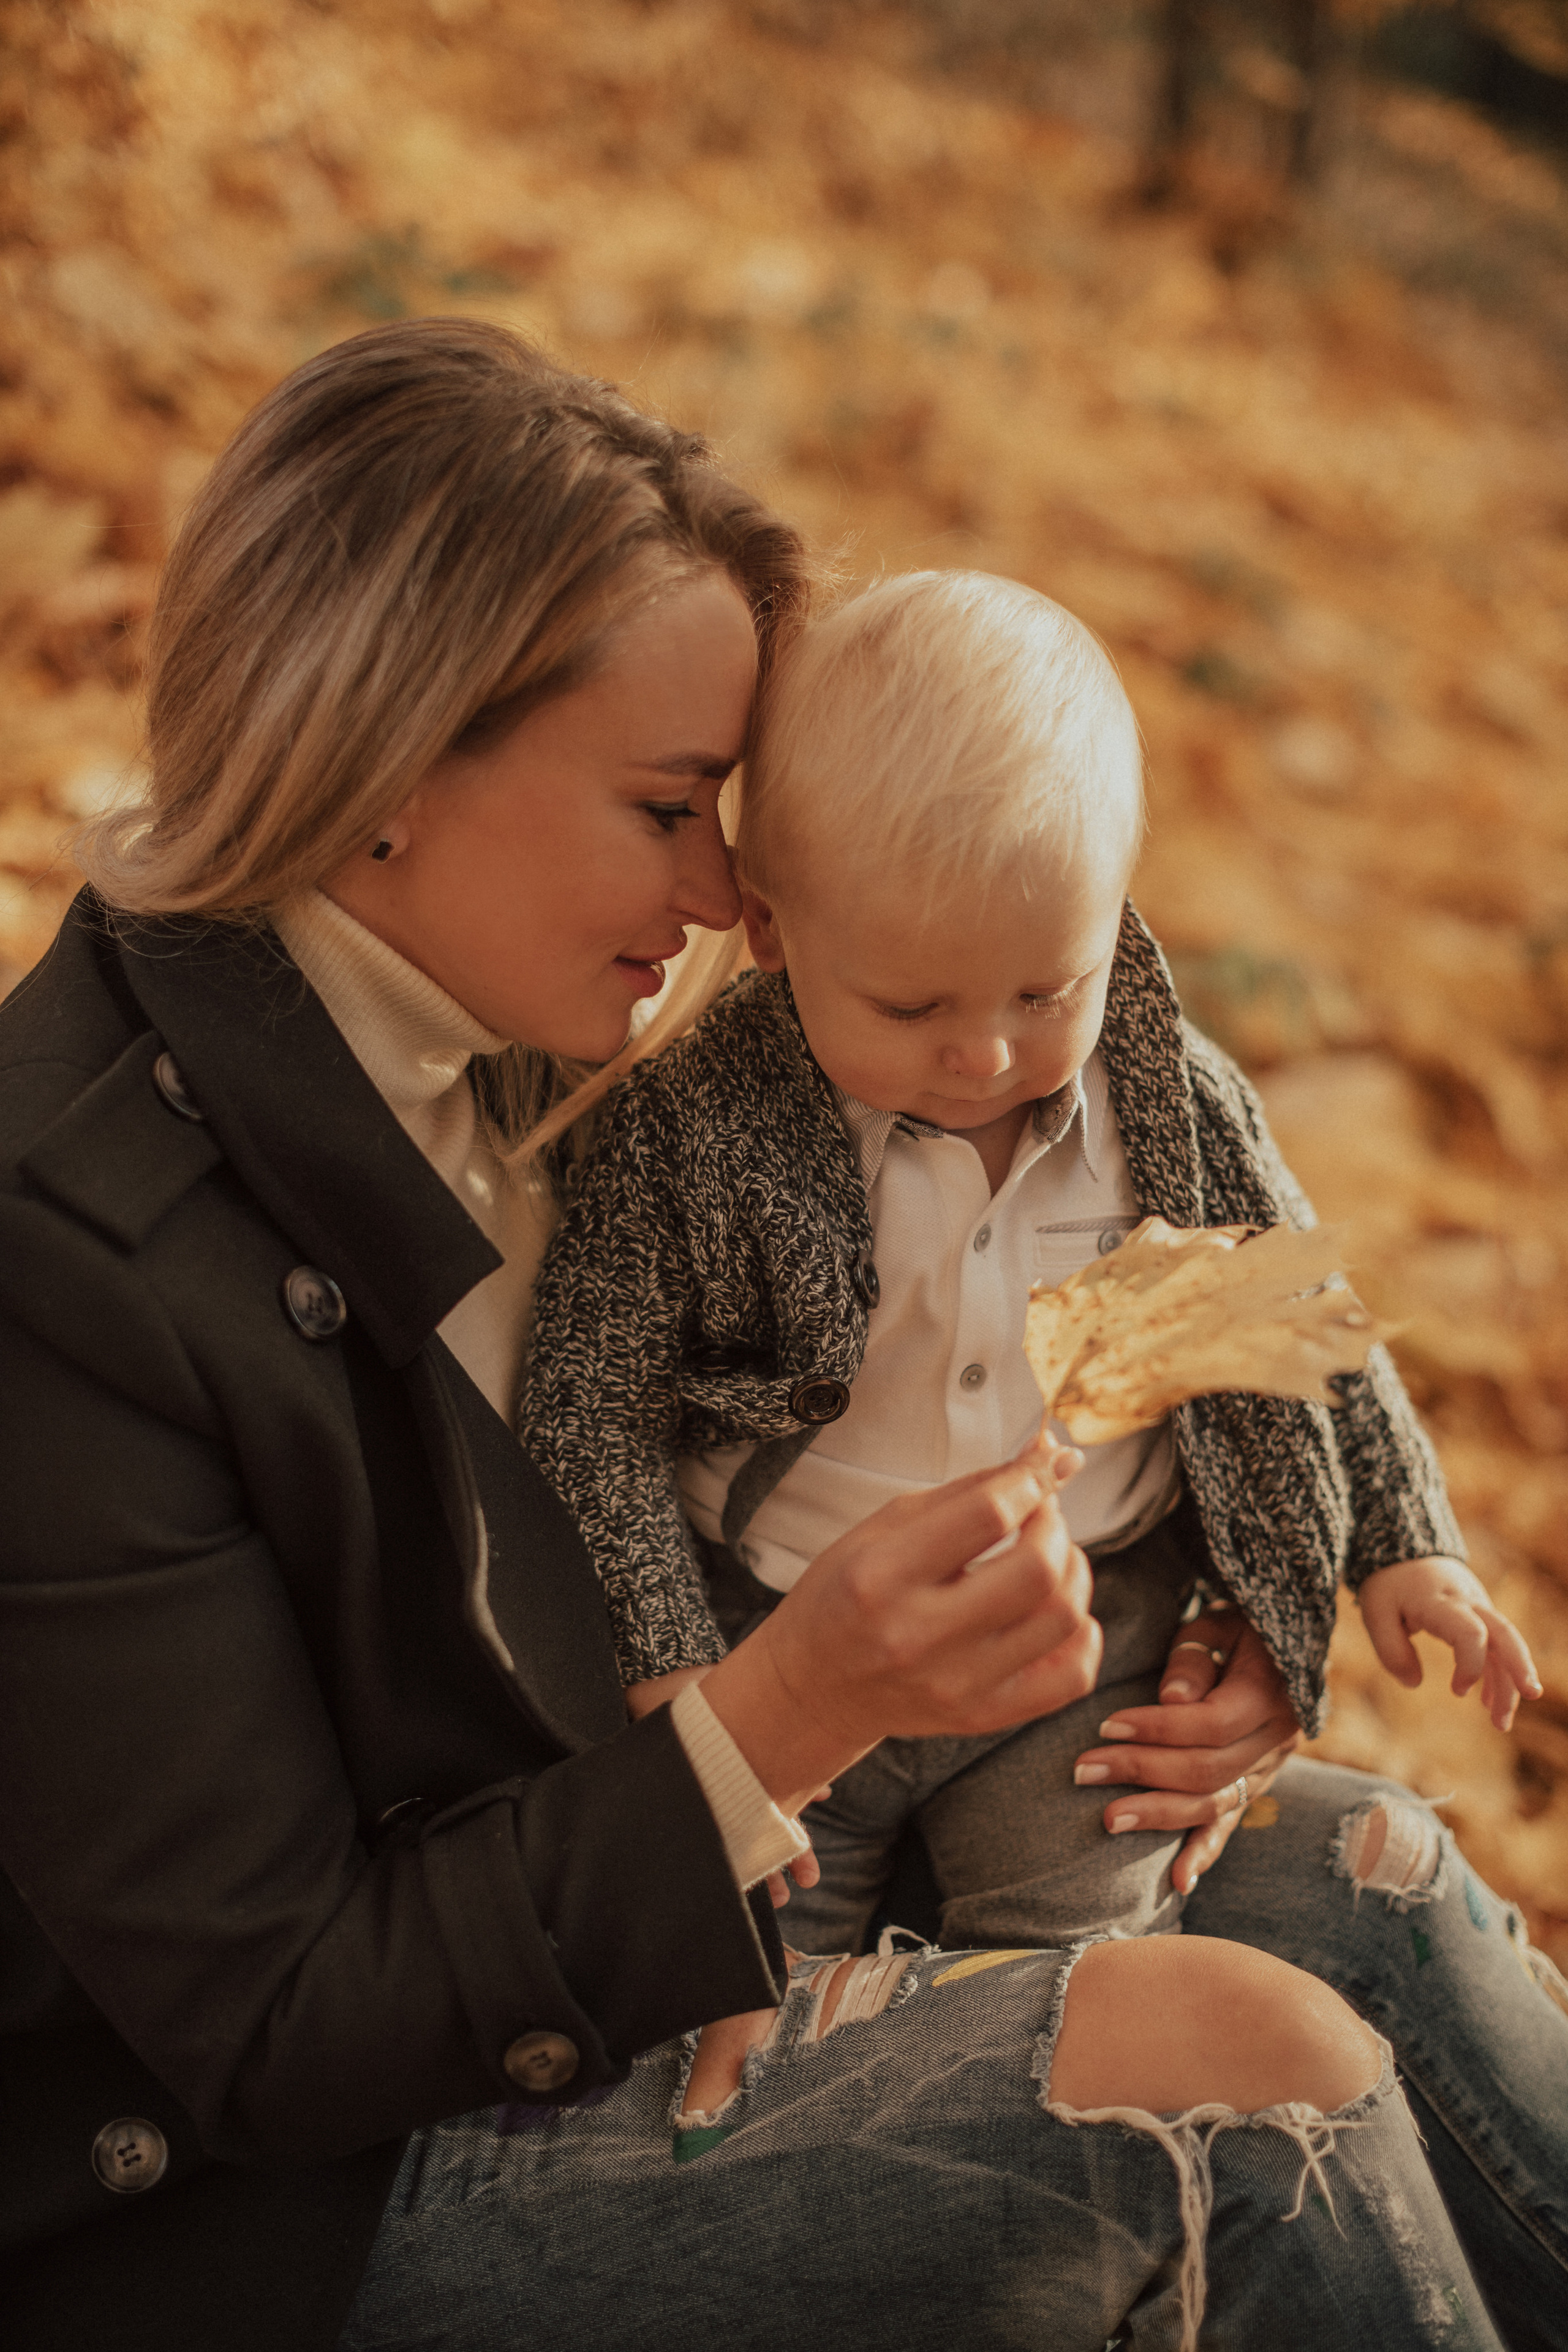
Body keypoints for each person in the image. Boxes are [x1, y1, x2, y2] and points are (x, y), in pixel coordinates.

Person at [0, 319, 1559, 2352]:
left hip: (699, 1879)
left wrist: (1225, 1604)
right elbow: (283, 2022)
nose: (736, 887)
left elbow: (1146, 1264)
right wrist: (796, 1707)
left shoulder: (541, 1051)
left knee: (1365, 1869)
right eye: (668, 804)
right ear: (386, 765)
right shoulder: (68, 1264)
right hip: (313, 2191)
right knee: (1229, 2069)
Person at [521, 567, 1542, 1961]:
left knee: (1079, 1936)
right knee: (752, 1936)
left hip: (1083, 1635)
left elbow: (1292, 1327)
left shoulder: (1168, 1112)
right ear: (769, 927)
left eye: (1044, 989)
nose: (984, 1053)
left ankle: (1045, 2091)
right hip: (779, 1620)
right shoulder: (697, 1126)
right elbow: (592, 1400)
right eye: (911, 1005)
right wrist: (678, 1675)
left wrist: (1401, 1543)